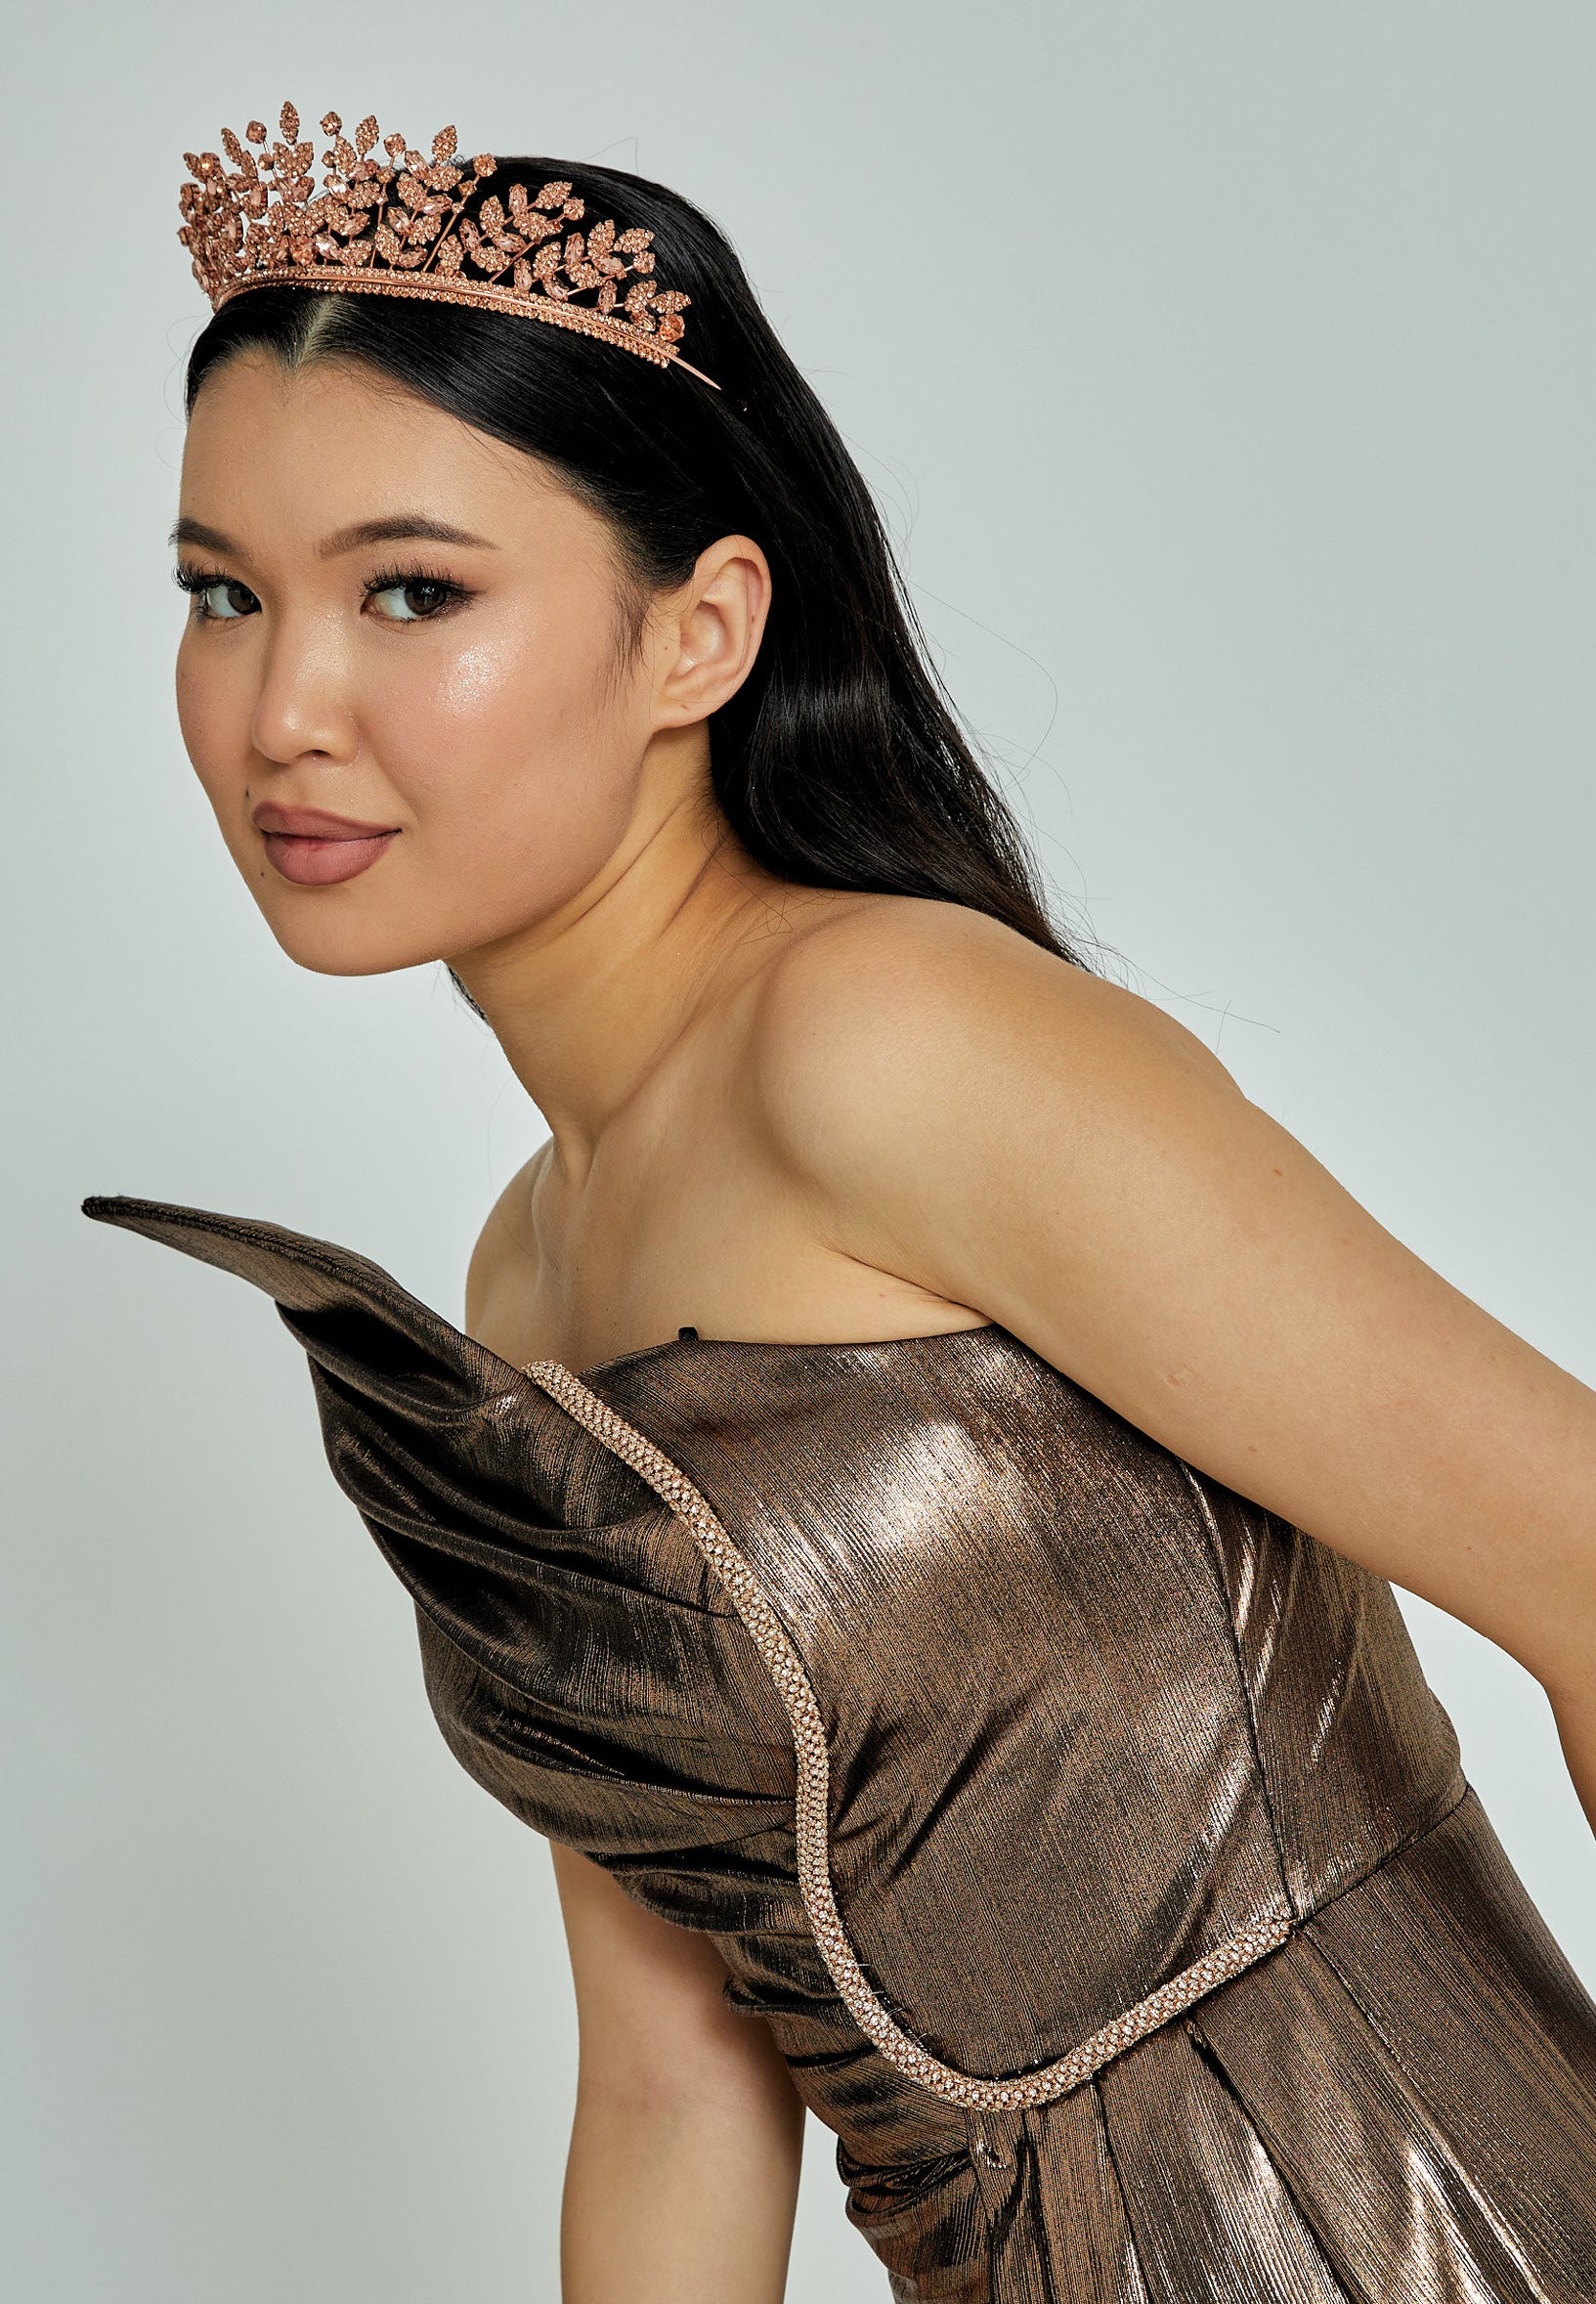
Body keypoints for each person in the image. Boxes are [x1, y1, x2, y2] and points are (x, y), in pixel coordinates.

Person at [86, 103, 1596, 2302]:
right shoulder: (527, 1277)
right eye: (222, 593)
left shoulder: (884, 1037)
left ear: (699, 634)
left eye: (414, 591)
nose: (283, 708)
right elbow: (674, 2092)